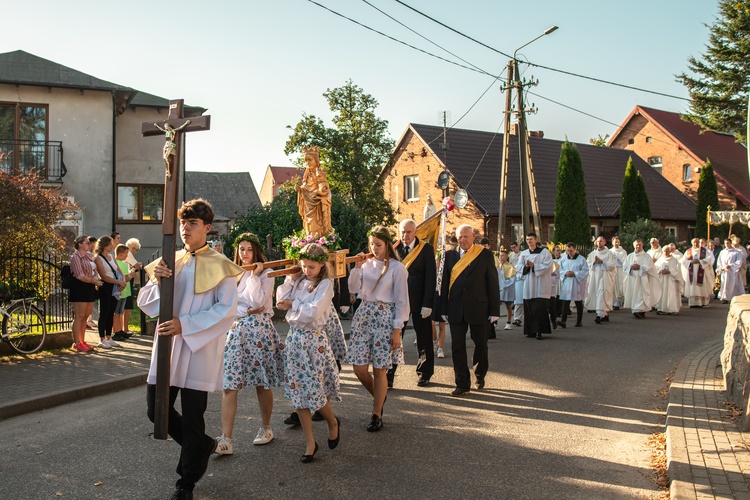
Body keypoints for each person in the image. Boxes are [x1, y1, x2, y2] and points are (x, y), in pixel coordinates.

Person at [140, 198, 243, 499]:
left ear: (207, 228)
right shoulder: (170, 260)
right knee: (155, 410)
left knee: (194, 416)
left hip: (198, 350)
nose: (185, 228)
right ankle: (202, 446)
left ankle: (186, 483)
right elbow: (147, 303)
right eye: (183, 222)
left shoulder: (221, 266)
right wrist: (156, 281)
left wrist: (185, 324)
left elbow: (226, 310)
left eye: (193, 223)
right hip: (168, 348)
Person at [215, 233, 284, 455]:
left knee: (261, 383)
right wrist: (243, 311)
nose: (245, 253)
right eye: (241, 249)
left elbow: (259, 303)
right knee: (230, 384)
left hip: (259, 332)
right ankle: (226, 439)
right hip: (236, 332)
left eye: (249, 249)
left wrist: (254, 275)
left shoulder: (266, 273)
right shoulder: (232, 273)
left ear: (256, 251)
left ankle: (266, 428)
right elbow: (226, 305)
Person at [276, 243, 341, 462]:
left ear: (322, 264)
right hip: (294, 340)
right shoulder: (300, 280)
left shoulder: (325, 284)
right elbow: (280, 300)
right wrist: (291, 280)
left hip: (314, 342)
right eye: (303, 266)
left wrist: (293, 303)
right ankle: (310, 442)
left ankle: (332, 421)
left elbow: (312, 313)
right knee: (298, 395)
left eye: (311, 267)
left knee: (314, 390)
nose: (306, 271)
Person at [348, 227, 409, 429]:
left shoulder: (397, 268)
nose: (374, 248)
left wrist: (397, 329)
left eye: (378, 244)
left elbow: (402, 300)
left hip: (384, 317)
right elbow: (353, 289)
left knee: (380, 368)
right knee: (359, 368)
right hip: (364, 315)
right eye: (372, 244)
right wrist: (357, 267)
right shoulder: (365, 265)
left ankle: (376, 414)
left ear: (387, 245)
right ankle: (379, 397)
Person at [438, 224, 500, 395]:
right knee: (457, 346)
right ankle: (462, 383)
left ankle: (479, 374)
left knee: (481, 344)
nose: (463, 240)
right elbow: (443, 284)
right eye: (459, 237)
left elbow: (493, 283)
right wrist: (443, 307)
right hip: (456, 307)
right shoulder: (449, 256)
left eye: (466, 236)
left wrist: (494, 310)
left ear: (473, 237)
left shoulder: (484, 254)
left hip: (479, 307)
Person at [396, 219, 436, 387]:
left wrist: (428, 303)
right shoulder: (394, 248)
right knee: (396, 338)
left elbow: (430, 278)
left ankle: (424, 373)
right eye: (403, 232)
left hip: (420, 301)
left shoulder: (426, 249)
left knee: (424, 338)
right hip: (399, 302)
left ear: (415, 232)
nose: (405, 235)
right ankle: (389, 373)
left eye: (409, 232)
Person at [515, 232, 553, 340]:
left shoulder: (544, 252)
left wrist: (534, 266)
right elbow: (518, 267)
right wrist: (526, 267)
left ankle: (539, 331)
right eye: (527, 240)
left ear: (535, 240)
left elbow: (548, 266)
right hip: (528, 284)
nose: (529, 241)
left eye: (531, 239)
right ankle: (531, 330)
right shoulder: (524, 253)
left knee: (539, 309)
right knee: (529, 308)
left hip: (540, 284)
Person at [68, 235, 102, 352]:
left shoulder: (89, 256)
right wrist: (93, 280)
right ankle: (76, 342)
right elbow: (79, 274)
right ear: (80, 244)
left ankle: (83, 341)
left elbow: (93, 270)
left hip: (90, 287)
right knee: (80, 316)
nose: (89, 244)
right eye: (87, 242)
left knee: (86, 316)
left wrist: (95, 279)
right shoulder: (76, 257)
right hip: (79, 287)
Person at [93, 235, 128, 348]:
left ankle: (109, 336)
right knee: (104, 311)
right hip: (106, 286)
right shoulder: (98, 258)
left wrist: (122, 281)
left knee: (111, 311)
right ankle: (102, 338)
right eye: (109, 244)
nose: (112, 246)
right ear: (104, 245)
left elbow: (119, 270)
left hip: (115, 286)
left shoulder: (112, 257)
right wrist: (119, 282)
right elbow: (103, 275)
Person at [296, 146, 332, 238]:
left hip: (317, 205)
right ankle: (309, 239)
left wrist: (322, 195)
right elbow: (305, 188)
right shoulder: (306, 175)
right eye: (306, 161)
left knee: (318, 224)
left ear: (316, 160)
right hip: (307, 204)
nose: (308, 163)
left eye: (310, 160)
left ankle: (321, 240)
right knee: (309, 225)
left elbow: (326, 190)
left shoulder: (320, 174)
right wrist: (299, 189)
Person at [623, 239, 661, 319]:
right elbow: (625, 266)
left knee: (641, 294)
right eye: (636, 245)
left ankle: (641, 310)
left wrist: (640, 267)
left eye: (639, 245)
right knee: (634, 293)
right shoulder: (630, 256)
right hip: (633, 279)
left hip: (642, 279)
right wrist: (631, 267)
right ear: (634, 245)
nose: (638, 246)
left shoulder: (646, 256)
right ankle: (636, 310)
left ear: (642, 245)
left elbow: (650, 267)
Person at [585, 236, 616, 324]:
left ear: (605, 242)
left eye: (601, 241)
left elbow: (612, 266)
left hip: (605, 277)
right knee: (597, 294)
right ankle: (605, 314)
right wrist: (594, 262)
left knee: (602, 294)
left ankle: (599, 315)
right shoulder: (592, 254)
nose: (599, 243)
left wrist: (602, 261)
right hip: (595, 277)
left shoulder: (609, 253)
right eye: (598, 241)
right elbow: (588, 265)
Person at [557, 243, 589, 328]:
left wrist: (575, 273)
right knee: (565, 302)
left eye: (571, 251)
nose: (569, 253)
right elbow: (560, 270)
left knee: (578, 302)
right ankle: (563, 321)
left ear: (575, 249)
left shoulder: (581, 259)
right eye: (567, 251)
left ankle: (579, 321)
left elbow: (585, 271)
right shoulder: (563, 259)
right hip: (567, 282)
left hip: (577, 282)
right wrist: (565, 273)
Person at [680, 238, 715, 307]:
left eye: (697, 242)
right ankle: (693, 303)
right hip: (691, 272)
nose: (695, 244)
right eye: (694, 242)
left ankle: (702, 302)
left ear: (699, 243)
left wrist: (700, 261)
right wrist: (690, 262)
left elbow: (709, 259)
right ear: (692, 243)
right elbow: (683, 261)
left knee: (701, 286)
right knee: (692, 286)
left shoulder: (704, 251)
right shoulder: (688, 251)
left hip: (701, 271)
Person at [113, 244, 136, 341]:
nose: (127, 256)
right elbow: (126, 278)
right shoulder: (122, 264)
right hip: (123, 291)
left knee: (119, 312)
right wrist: (131, 274)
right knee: (118, 312)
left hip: (121, 291)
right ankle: (117, 331)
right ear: (121, 254)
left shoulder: (115, 263)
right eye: (126, 253)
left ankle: (119, 330)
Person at [654, 244, 684, 315]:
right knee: (662, 293)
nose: (666, 253)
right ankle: (661, 308)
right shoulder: (660, 260)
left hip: (671, 281)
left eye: (667, 251)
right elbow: (655, 268)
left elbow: (677, 271)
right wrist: (660, 271)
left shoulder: (674, 260)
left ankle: (671, 309)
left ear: (670, 251)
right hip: (662, 280)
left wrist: (669, 271)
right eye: (664, 251)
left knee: (671, 294)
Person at [124, 238, 143, 335]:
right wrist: (138, 266)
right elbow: (137, 266)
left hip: (126, 279)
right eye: (136, 249)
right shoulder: (128, 253)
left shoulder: (125, 253)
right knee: (127, 305)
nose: (136, 252)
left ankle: (125, 328)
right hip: (127, 280)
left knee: (125, 306)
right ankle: (125, 328)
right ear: (132, 248)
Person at [717, 238, 744, 303]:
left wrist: (731, 266)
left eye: (728, 243)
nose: (726, 244)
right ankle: (725, 298)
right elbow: (719, 262)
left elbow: (739, 262)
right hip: (724, 272)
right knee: (725, 284)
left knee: (733, 285)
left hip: (732, 272)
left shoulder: (736, 252)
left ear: (730, 243)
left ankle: (733, 297)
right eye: (725, 243)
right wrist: (720, 268)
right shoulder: (722, 252)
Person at [497, 250, 516, 330]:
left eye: (503, 255)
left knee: (508, 306)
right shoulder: (497, 266)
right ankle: (495, 323)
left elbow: (512, 279)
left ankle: (508, 322)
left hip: (507, 289)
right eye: (500, 255)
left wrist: (503, 284)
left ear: (506, 257)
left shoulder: (510, 267)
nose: (501, 257)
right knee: (497, 306)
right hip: (498, 289)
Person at [508, 242, 524, 327]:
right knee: (518, 299)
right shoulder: (511, 255)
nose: (513, 249)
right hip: (515, 277)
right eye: (512, 248)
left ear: (518, 247)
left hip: (522, 276)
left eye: (514, 247)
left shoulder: (523, 254)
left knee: (523, 299)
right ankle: (517, 318)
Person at [609, 236, 627, 310]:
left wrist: (618, 260)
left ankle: (618, 303)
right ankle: (612, 302)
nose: (616, 243)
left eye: (618, 242)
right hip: (612, 271)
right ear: (612, 242)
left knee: (619, 285)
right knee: (613, 285)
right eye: (615, 242)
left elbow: (625, 261)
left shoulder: (623, 251)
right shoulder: (609, 251)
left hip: (619, 270)